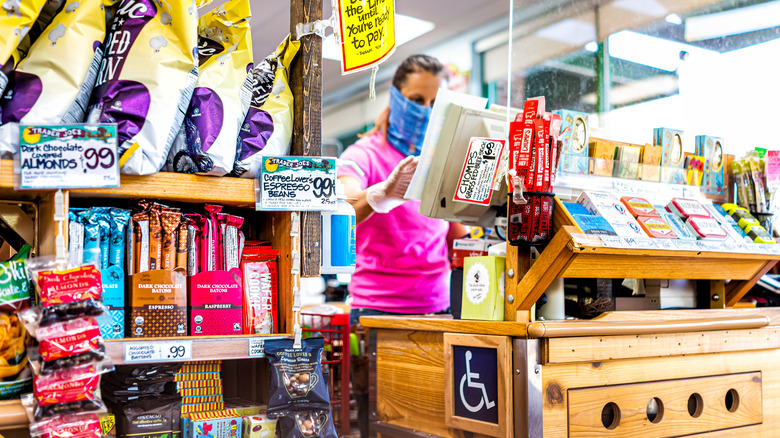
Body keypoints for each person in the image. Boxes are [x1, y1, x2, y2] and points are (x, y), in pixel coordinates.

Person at [338, 54, 468, 326]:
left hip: (439, 306)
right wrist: (380, 195)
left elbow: (456, 235)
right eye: (417, 100)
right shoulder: (363, 155)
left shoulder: (439, 159)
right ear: (396, 97)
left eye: (435, 103)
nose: (426, 110)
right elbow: (342, 211)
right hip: (376, 309)